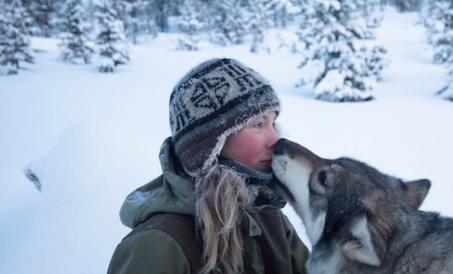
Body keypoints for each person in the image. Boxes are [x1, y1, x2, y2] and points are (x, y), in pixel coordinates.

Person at [108, 58, 309, 274]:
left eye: (273, 122)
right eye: (258, 124)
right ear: (210, 145)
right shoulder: (156, 245)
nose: (276, 139)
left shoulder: (267, 216)